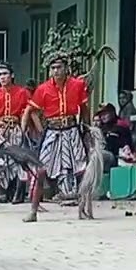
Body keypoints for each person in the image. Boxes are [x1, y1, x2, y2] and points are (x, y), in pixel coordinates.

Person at [22, 54, 93, 222]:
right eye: (53, 68)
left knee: (82, 169)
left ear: (66, 68)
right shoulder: (43, 89)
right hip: (52, 131)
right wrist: (27, 130)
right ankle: (33, 211)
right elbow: (30, 111)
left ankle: (84, 209)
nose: (56, 71)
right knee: (41, 171)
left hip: (72, 130)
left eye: (59, 67)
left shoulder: (77, 85)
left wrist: (87, 128)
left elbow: (84, 108)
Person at [0, 61, 32, 208]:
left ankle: (19, 192)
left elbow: (29, 113)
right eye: (0, 75)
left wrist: (26, 129)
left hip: (16, 129)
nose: (2, 77)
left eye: (5, 74)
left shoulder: (22, 92)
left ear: (12, 75)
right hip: (1, 131)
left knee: (18, 159)